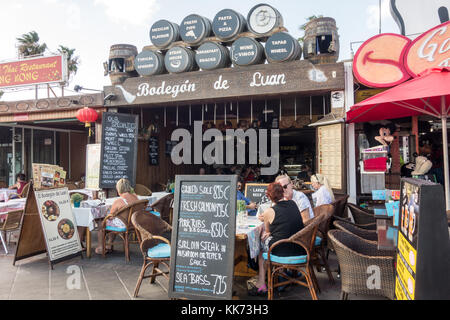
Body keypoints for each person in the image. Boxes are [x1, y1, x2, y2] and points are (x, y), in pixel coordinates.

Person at [251, 182, 305, 295]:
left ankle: (261, 282)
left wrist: (268, 234)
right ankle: (280, 275)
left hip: (282, 251)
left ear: (269, 196)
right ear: (282, 192)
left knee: (261, 250)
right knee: (271, 240)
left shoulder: (268, 211)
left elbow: (268, 231)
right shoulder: (293, 203)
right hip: (300, 248)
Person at [95, 178, 139, 255]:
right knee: (114, 222)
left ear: (118, 188)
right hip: (133, 223)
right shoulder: (135, 197)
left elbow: (110, 217)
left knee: (101, 223)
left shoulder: (119, 201)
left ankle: (101, 248)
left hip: (124, 225)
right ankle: (109, 243)